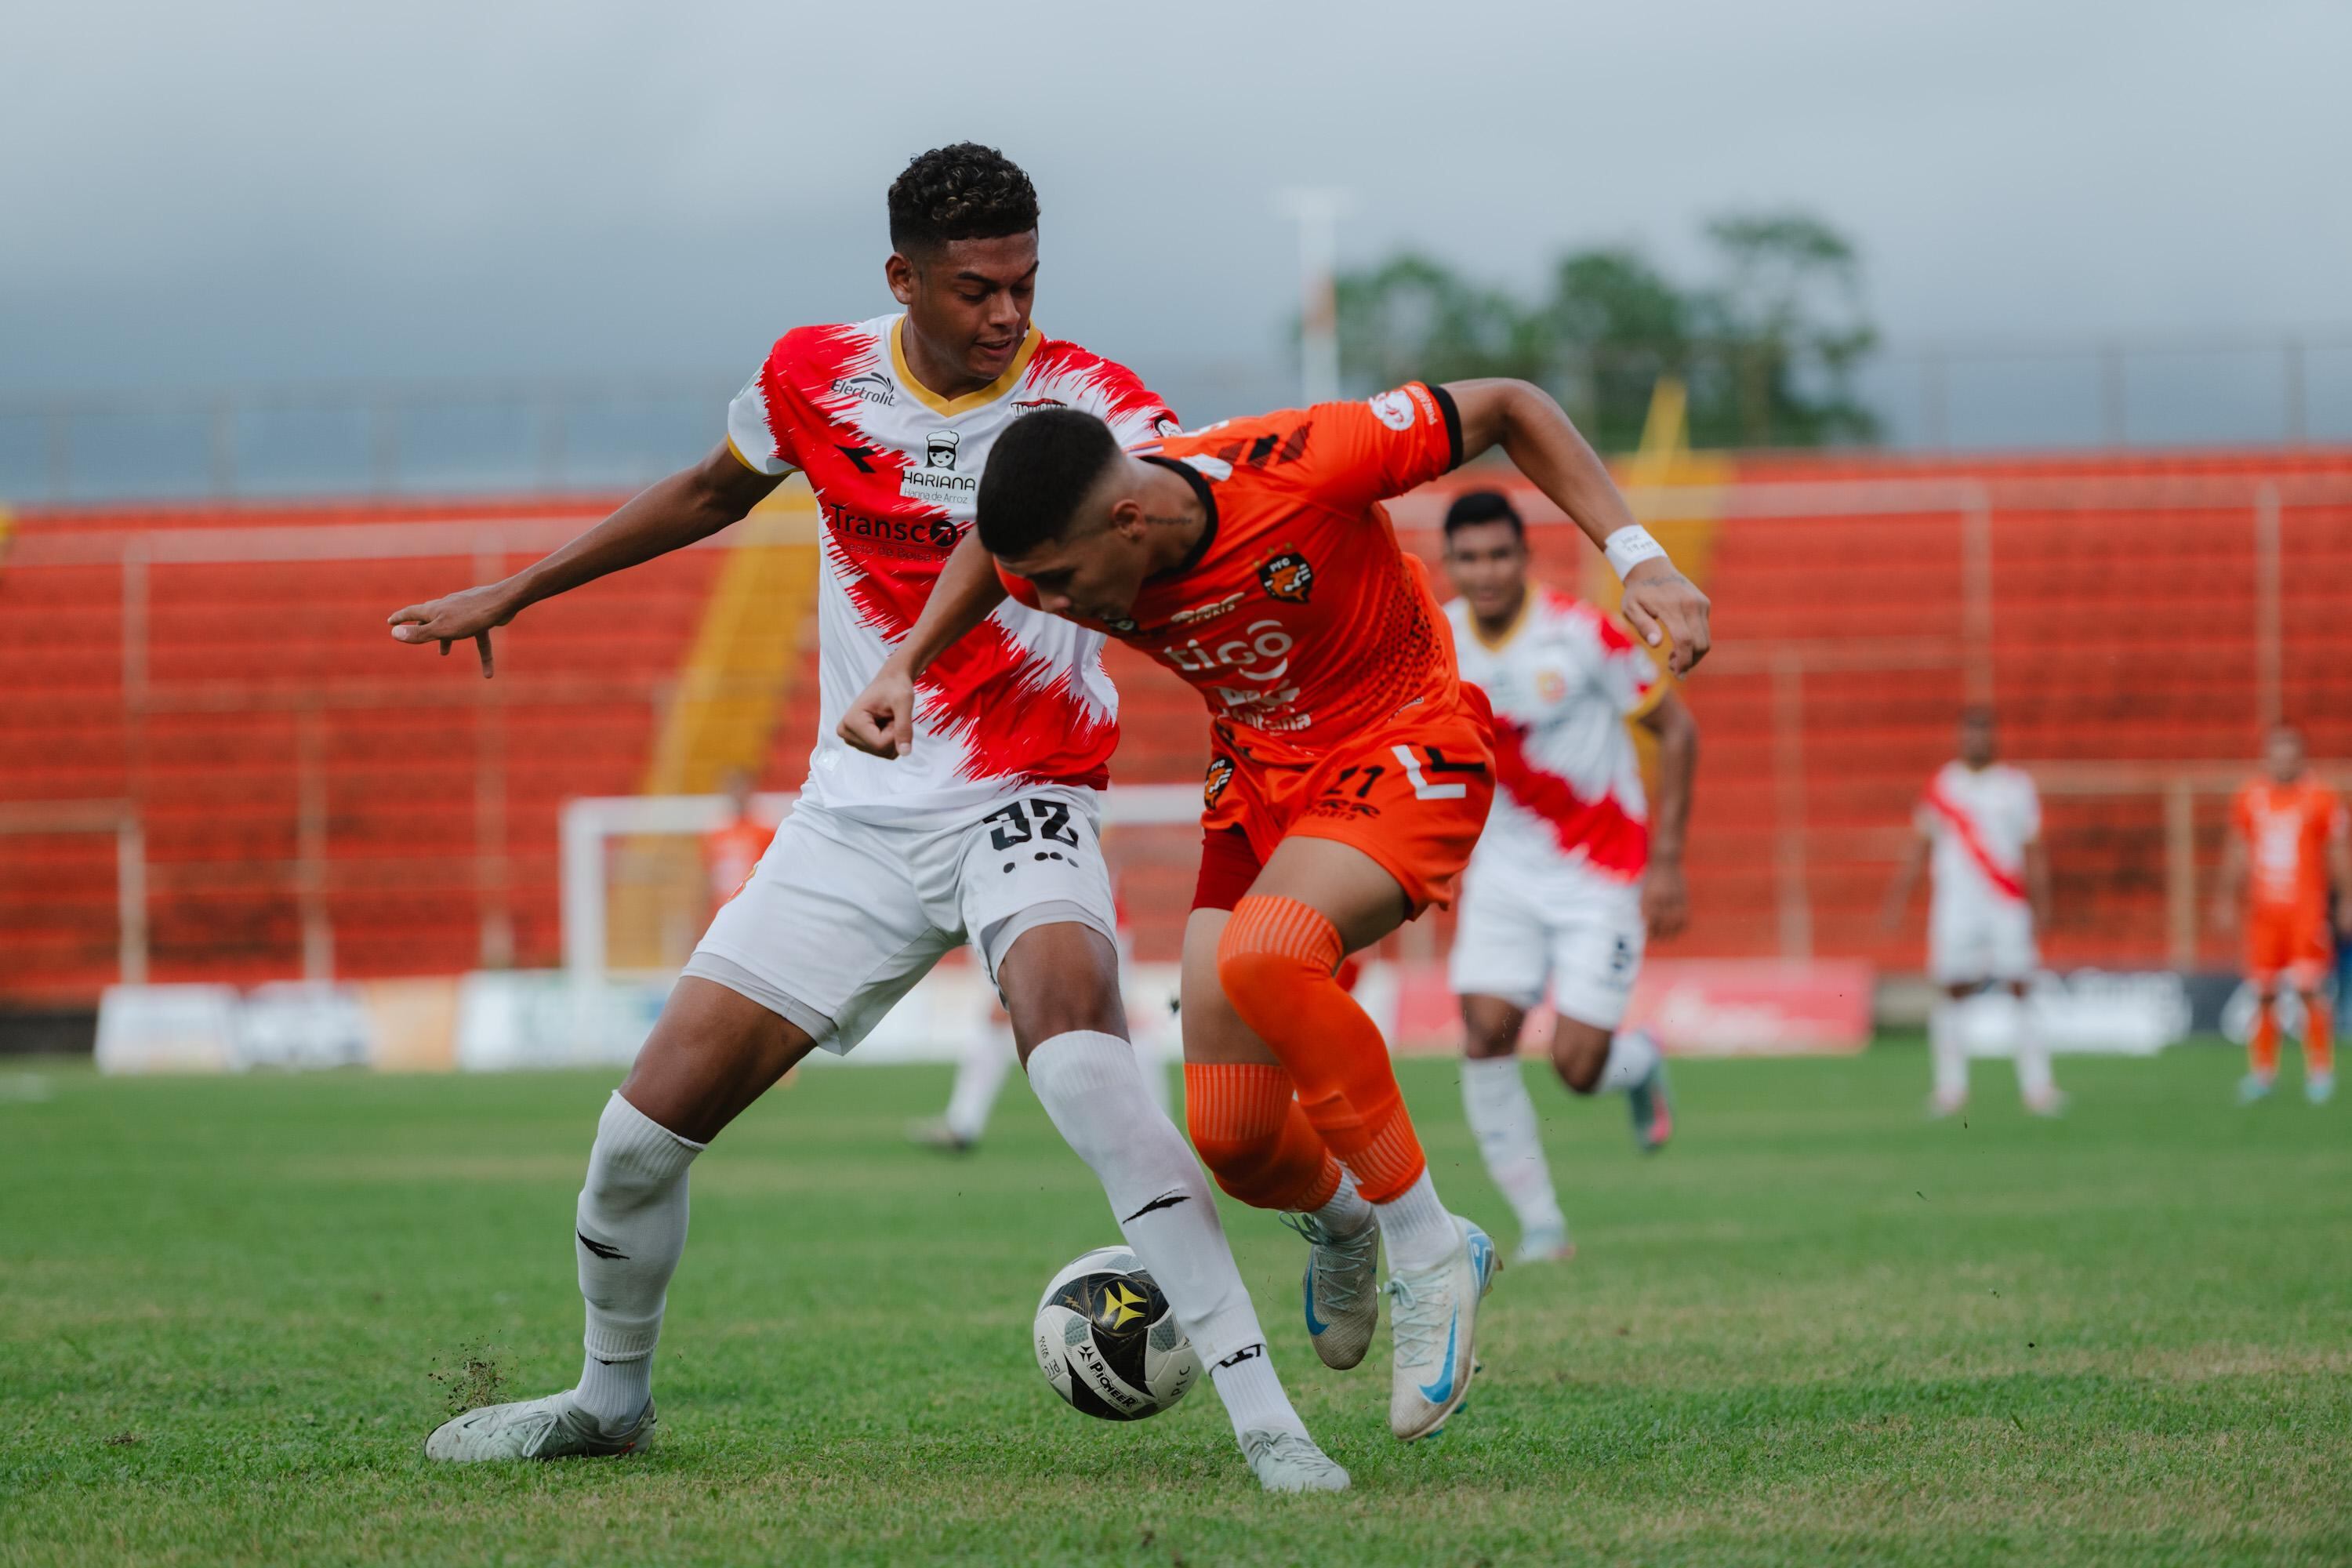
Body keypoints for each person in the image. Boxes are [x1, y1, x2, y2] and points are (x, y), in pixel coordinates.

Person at [385, 144, 1345, 1493]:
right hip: (854, 825)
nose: (1008, 315)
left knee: (1080, 1063)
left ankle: (1270, 1428)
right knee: (634, 1145)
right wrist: (520, 590)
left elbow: (1189, 541)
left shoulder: (1093, 408)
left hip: (1027, 796)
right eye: (974, 290)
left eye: (1024, 284)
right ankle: (611, 1401)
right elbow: (715, 491)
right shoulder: (813, 377)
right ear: (902, 278)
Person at [840, 377, 1711, 1440]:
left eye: (1064, 583)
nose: (1056, 608)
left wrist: (1640, 556)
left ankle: (1429, 1248)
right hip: (1258, 785)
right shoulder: (1060, 555)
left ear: (1129, 517)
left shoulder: (1302, 463)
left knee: (1267, 954)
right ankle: (1342, 1220)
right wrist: (906, 661)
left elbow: (1512, 407)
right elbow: (998, 556)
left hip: (1405, 741)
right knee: (1235, 1140)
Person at [1438, 490, 1697, 1265]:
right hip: (1504, 874)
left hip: (1602, 873)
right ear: (1450, 564)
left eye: (1498, 554)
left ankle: (1638, 1060)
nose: (1485, 571)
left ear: (1525, 556)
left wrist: (1670, 860)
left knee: (1576, 1067)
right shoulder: (1436, 642)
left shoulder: (1581, 635)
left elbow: (1675, 728)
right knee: (1485, 1032)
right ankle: (1541, 1222)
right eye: (1469, 557)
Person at [1882, 708, 2061, 1117]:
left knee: (2021, 987)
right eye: (1969, 734)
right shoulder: (1943, 786)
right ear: (1959, 738)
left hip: (2006, 901)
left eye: (1983, 734)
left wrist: (2042, 905)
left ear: (1993, 738)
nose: (1976, 742)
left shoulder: (2016, 787)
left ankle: (2039, 1088)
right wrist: (1899, 898)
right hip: (1956, 905)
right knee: (1950, 990)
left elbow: (2033, 849)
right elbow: (1920, 845)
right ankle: (1950, 1089)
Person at [2213, 724, 2350, 1105]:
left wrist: (2347, 900)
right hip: (2263, 913)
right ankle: (2263, 1074)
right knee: (2264, 993)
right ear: (2268, 755)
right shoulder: (2250, 797)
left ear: (2300, 756)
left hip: (2306, 911)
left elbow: (2338, 852)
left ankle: (2320, 1072)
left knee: (2309, 989)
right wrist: (2226, 896)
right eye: (2277, 751)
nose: (2282, 759)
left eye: (2289, 751)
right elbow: (2239, 849)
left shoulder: (2320, 797)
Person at [701, 768, 775, 916]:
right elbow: (707, 877)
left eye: (743, 788)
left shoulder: (765, 833)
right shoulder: (716, 834)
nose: (739, 794)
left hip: (753, 908)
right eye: (734, 788)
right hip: (721, 908)